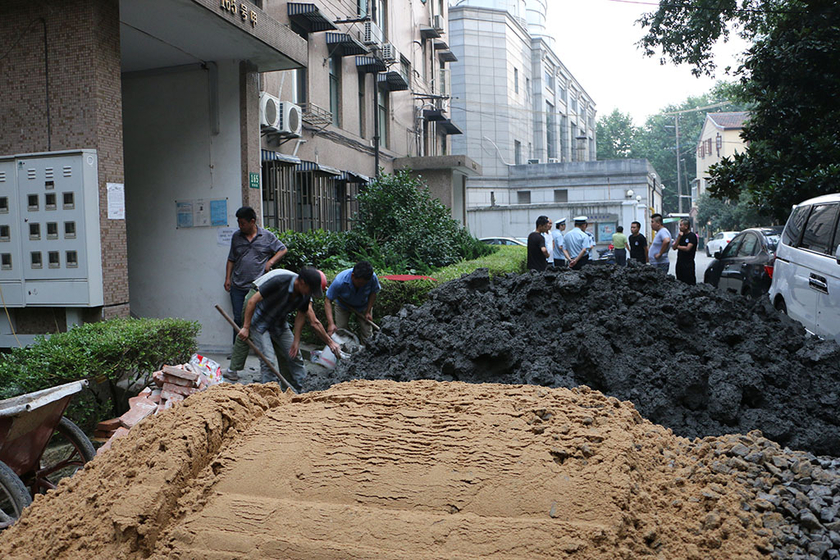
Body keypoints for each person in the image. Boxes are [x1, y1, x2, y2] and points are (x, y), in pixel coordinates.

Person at [230, 266, 324, 391]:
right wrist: (246, 327)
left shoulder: (305, 294)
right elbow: (252, 301)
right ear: (302, 283)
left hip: (279, 323)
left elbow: (300, 316)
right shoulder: (280, 281)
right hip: (259, 322)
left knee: (295, 356)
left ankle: (304, 389)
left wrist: (296, 341)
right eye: (310, 289)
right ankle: (268, 392)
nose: (310, 293)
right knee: (268, 360)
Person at [224, 206, 287, 380]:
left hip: (258, 288)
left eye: (242, 223)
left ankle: (239, 367)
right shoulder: (237, 237)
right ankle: (236, 363)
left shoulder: (266, 236)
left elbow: (283, 249)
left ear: (252, 221)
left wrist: (271, 262)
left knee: (251, 323)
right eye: (238, 222)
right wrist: (227, 278)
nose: (240, 226)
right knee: (239, 322)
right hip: (238, 286)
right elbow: (231, 259)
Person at [325, 261, 381, 344]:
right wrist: (331, 323)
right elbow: (327, 301)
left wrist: (368, 311)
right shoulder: (339, 281)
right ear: (353, 276)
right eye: (360, 283)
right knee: (341, 331)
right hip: (343, 304)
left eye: (365, 284)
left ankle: (366, 353)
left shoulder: (372, 278)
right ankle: (345, 351)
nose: (362, 285)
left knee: (367, 334)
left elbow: (373, 293)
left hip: (363, 306)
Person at [672, 218, 698, 285]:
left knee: (689, 281)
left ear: (686, 226)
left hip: (688, 263)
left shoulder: (692, 236)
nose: (679, 227)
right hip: (680, 262)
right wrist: (679, 237)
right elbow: (674, 247)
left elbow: (687, 248)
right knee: (679, 280)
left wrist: (678, 246)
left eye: (681, 225)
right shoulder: (680, 236)